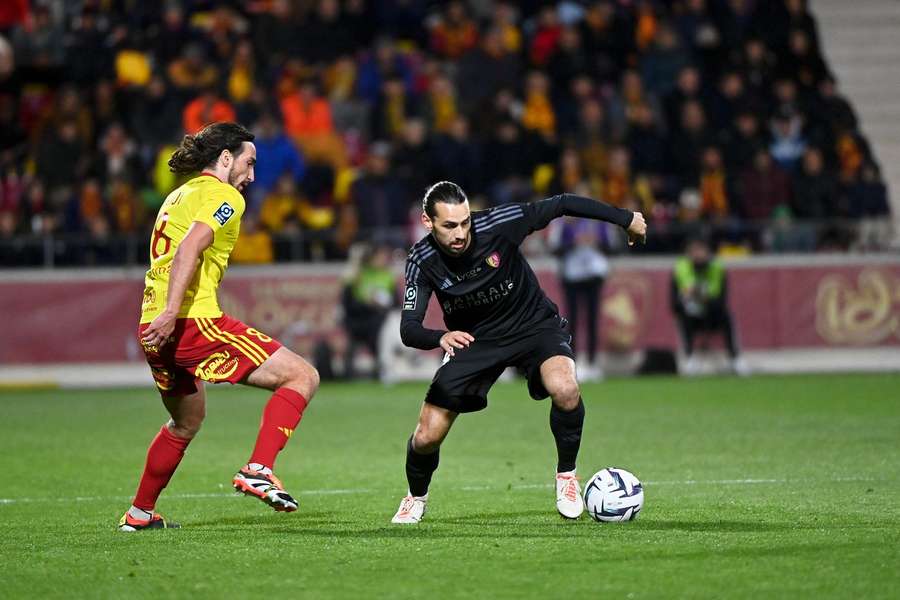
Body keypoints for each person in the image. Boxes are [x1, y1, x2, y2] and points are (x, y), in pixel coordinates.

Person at [391, 181, 646, 523]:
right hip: (475, 340)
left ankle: (567, 476)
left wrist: (626, 218)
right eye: (450, 225)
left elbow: (562, 203)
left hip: (532, 324)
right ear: (428, 222)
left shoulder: (499, 223)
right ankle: (415, 497)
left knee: (566, 388)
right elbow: (409, 328)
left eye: (465, 222)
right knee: (426, 437)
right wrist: (441, 338)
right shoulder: (422, 260)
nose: (461, 233)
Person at [119, 122, 320, 532]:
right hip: (189, 320)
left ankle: (139, 514)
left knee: (186, 422)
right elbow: (191, 247)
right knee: (302, 376)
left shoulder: (178, 195)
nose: (252, 175)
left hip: (152, 325)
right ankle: (259, 469)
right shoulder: (223, 195)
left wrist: (164, 314)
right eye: (249, 163)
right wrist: (174, 311)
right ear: (226, 158)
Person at [670, 237, 748, 376]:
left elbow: (721, 299)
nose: (698, 255)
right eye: (694, 251)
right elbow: (675, 302)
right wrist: (689, 300)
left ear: (708, 252)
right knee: (683, 318)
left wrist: (698, 295)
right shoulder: (681, 268)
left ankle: (735, 358)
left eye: (701, 250)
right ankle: (689, 358)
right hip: (691, 315)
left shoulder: (717, 268)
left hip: (713, 313)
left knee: (727, 317)